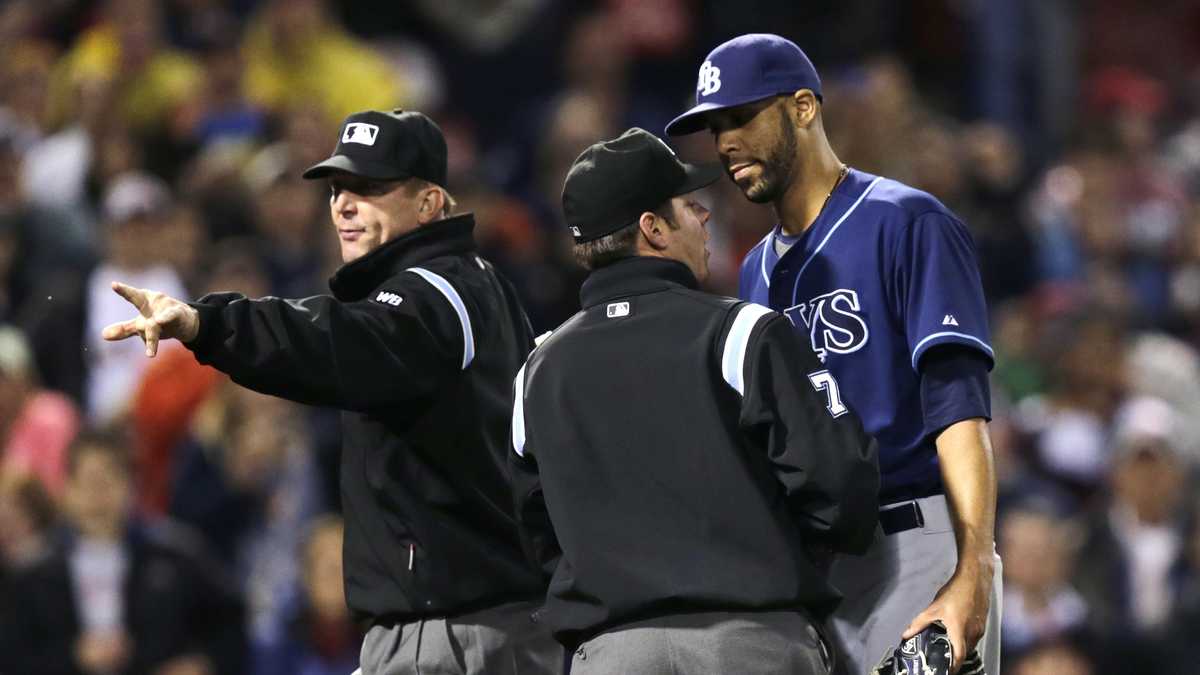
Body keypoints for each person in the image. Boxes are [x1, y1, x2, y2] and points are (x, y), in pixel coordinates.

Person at [102, 109, 561, 674]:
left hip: (455, 635)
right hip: (479, 624)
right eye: (339, 188)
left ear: (430, 203)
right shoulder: (471, 282)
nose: (343, 204)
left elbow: (339, 343)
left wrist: (209, 325)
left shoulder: (438, 291)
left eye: (369, 188)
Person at [666, 34, 1001, 675]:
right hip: (820, 567)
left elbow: (958, 402)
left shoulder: (906, 222)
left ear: (802, 108)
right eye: (715, 128)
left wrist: (972, 564)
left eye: (741, 117)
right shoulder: (754, 272)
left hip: (917, 537)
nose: (726, 142)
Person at [510, 127, 879, 674]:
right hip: (747, 641)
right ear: (652, 229)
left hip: (609, 654)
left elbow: (537, 535)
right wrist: (775, 557)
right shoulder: (741, 333)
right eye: (689, 206)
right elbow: (843, 492)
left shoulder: (537, 368)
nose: (706, 217)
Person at [0, 430, 247, 675]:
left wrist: (201, 664)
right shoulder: (30, 575)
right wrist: (72, 656)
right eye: (88, 481)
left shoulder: (177, 557)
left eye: (109, 480)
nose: (97, 496)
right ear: (67, 488)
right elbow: (12, 657)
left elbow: (232, 627)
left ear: (131, 485)